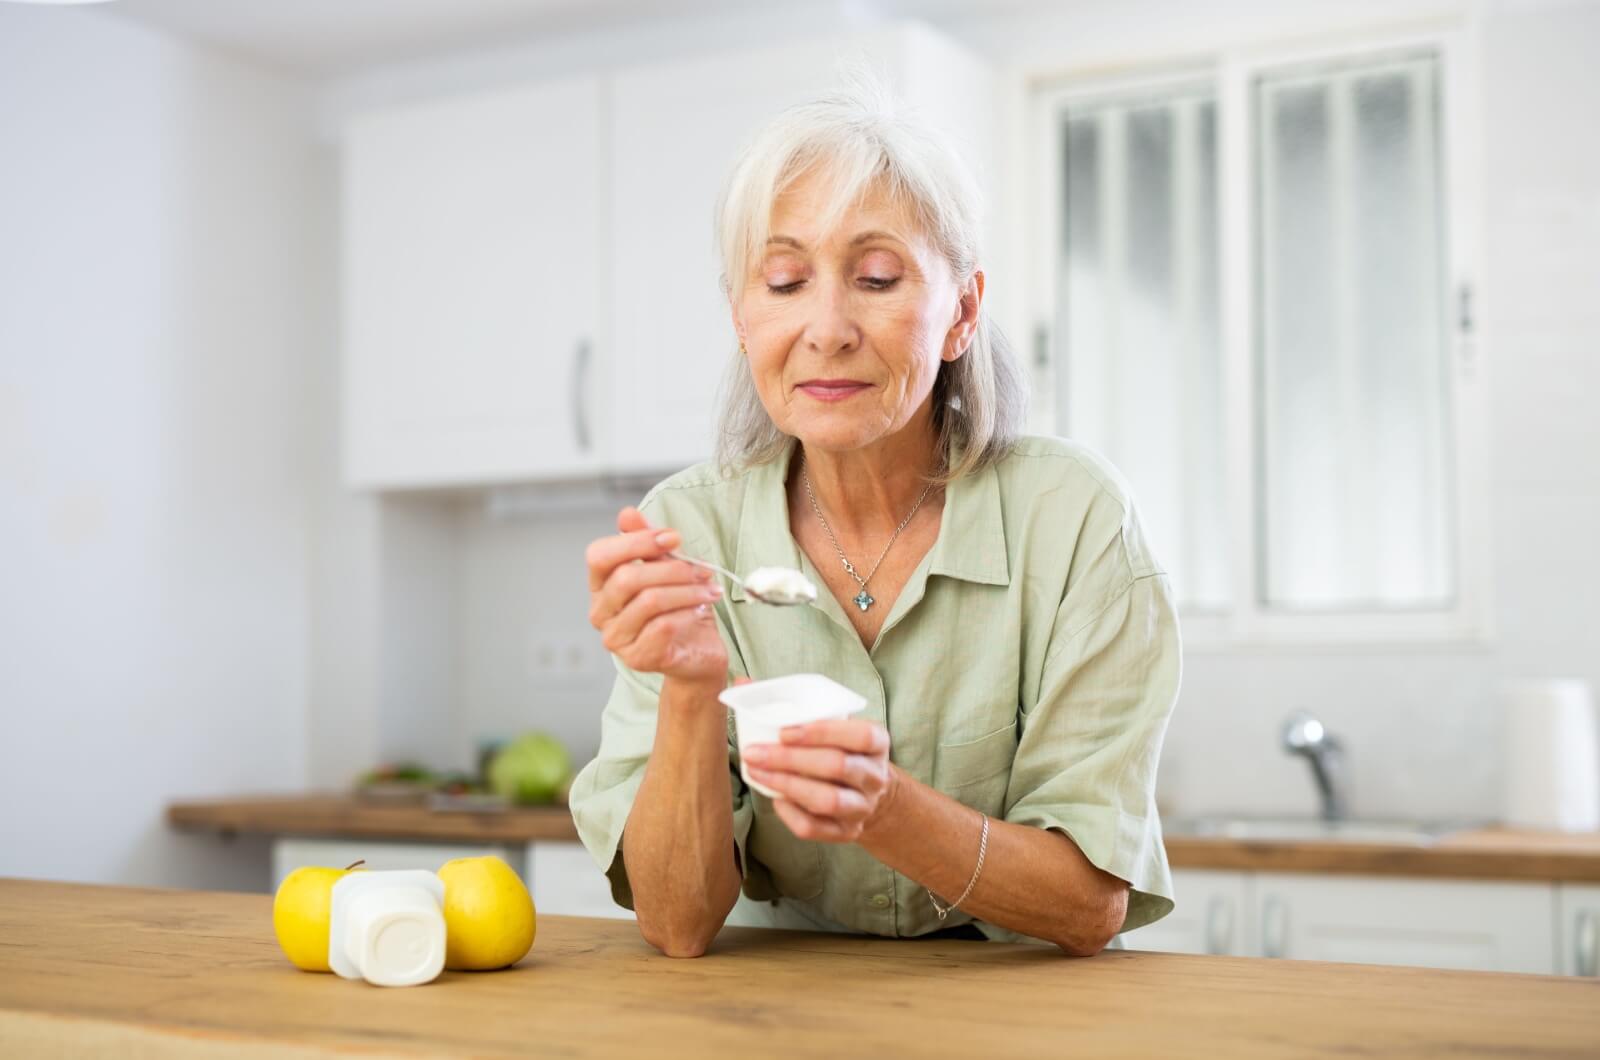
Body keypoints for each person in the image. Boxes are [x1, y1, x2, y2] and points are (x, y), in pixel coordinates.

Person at [569, 76, 1179, 958]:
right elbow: (675, 922)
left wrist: (885, 809)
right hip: (773, 1011)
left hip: (1023, 1003)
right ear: (742, 319)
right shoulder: (687, 532)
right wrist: (692, 692)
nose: (827, 329)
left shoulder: (1075, 519)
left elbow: (1088, 906)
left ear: (962, 312)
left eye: (878, 278)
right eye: (785, 281)